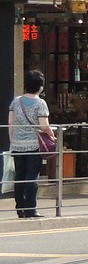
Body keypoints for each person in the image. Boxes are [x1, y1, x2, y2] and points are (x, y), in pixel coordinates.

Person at [9, 70, 52, 218]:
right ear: (40, 87)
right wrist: (52, 135)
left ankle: (20, 207)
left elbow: (10, 123)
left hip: (17, 145)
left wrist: (12, 142)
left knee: (19, 176)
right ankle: (31, 209)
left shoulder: (16, 101)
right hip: (34, 145)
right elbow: (44, 126)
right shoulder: (40, 103)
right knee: (32, 177)